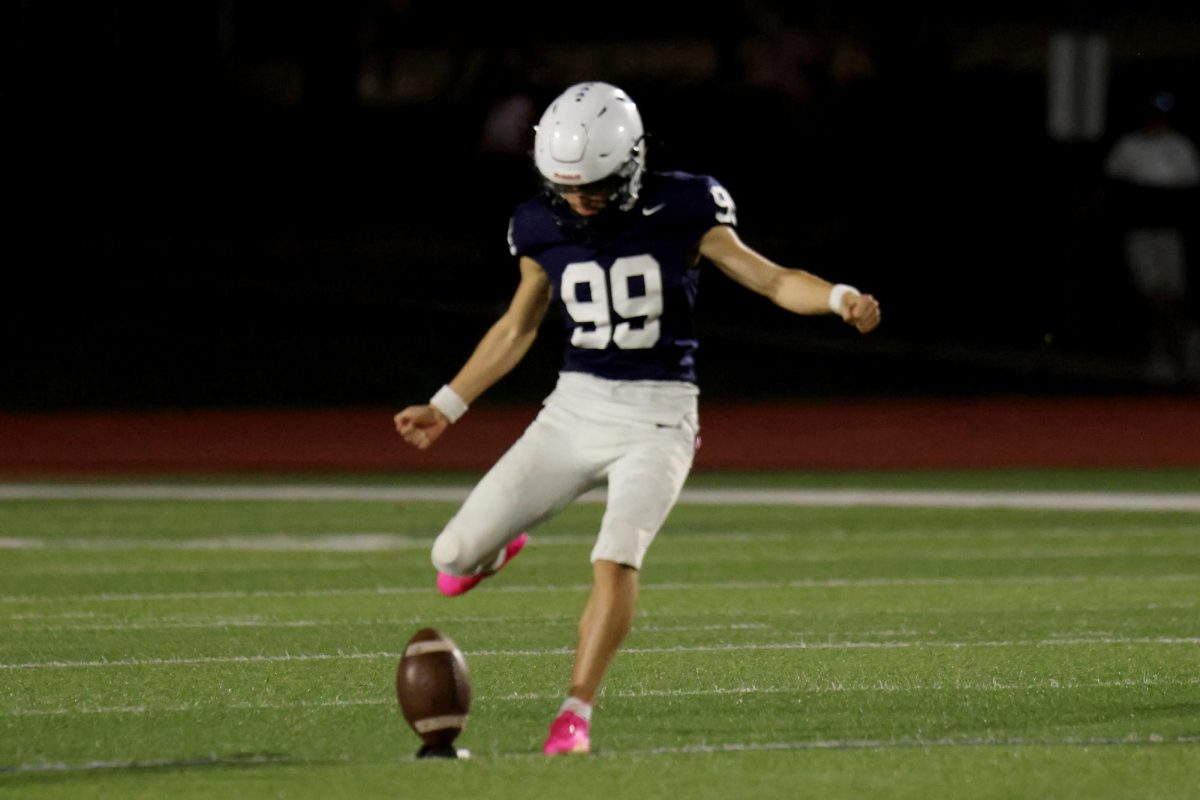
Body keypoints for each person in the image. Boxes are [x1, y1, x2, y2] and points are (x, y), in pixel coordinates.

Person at [394, 81, 881, 756]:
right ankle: (501, 544)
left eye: (592, 186)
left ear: (629, 165)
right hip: (573, 408)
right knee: (450, 557)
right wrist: (447, 405)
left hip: (658, 416)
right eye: (566, 187)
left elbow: (769, 278)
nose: (578, 201)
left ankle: (575, 714)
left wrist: (839, 296)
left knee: (615, 558)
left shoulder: (683, 205)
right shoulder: (538, 224)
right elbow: (517, 327)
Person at [1104, 90, 1200, 383]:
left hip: (1170, 230)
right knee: (1150, 292)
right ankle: (1165, 357)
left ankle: (1177, 357)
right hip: (1140, 230)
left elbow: (1188, 185)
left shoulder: (1180, 147)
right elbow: (1115, 183)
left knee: (1173, 292)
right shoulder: (1130, 146)